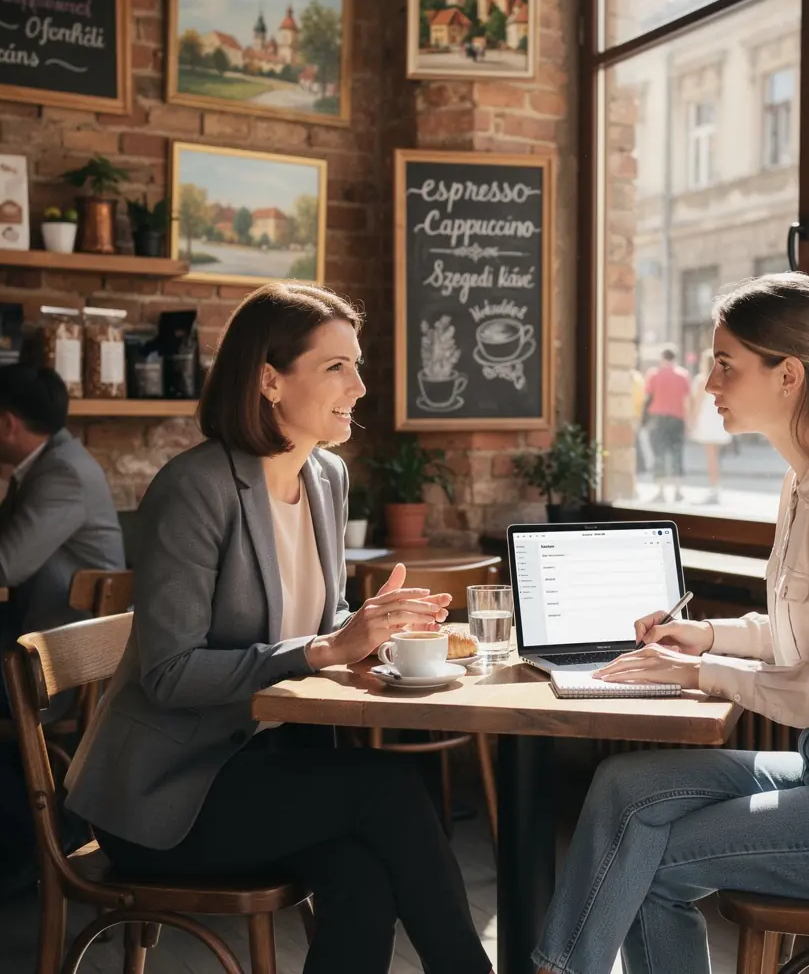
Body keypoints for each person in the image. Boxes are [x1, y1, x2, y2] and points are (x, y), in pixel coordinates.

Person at [533, 273, 809, 974]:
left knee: (649, 860)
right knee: (625, 787)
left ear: (788, 375)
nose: (708, 380)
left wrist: (708, 674)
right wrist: (707, 638)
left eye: (725, 364)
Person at [65, 283, 493, 974]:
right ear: (269, 379)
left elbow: (307, 632)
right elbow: (171, 673)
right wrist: (324, 648)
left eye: (357, 364)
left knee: (361, 873)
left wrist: (361, 640)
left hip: (265, 770)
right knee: (387, 789)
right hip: (168, 795)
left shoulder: (325, 476)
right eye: (336, 367)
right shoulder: (194, 488)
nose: (359, 385)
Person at [0, 364, 124, 720]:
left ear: (9, 424)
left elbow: (2, 566)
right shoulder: (47, 462)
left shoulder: (62, 473)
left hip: (61, 668)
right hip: (37, 643)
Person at [642, 345, 692, 502]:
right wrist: (689, 422)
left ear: (662, 358)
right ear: (675, 358)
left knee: (660, 453)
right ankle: (678, 490)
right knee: (677, 453)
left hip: (658, 419)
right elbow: (687, 401)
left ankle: (661, 491)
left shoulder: (654, 374)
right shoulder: (683, 375)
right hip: (677, 418)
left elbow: (647, 396)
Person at [687, 349, 732, 505]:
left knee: (711, 456)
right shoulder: (723, 380)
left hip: (707, 421)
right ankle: (715, 487)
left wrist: (690, 422)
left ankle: (714, 489)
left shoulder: (702, 380)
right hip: (718, 419)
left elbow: (697, 405)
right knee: (715, 456)